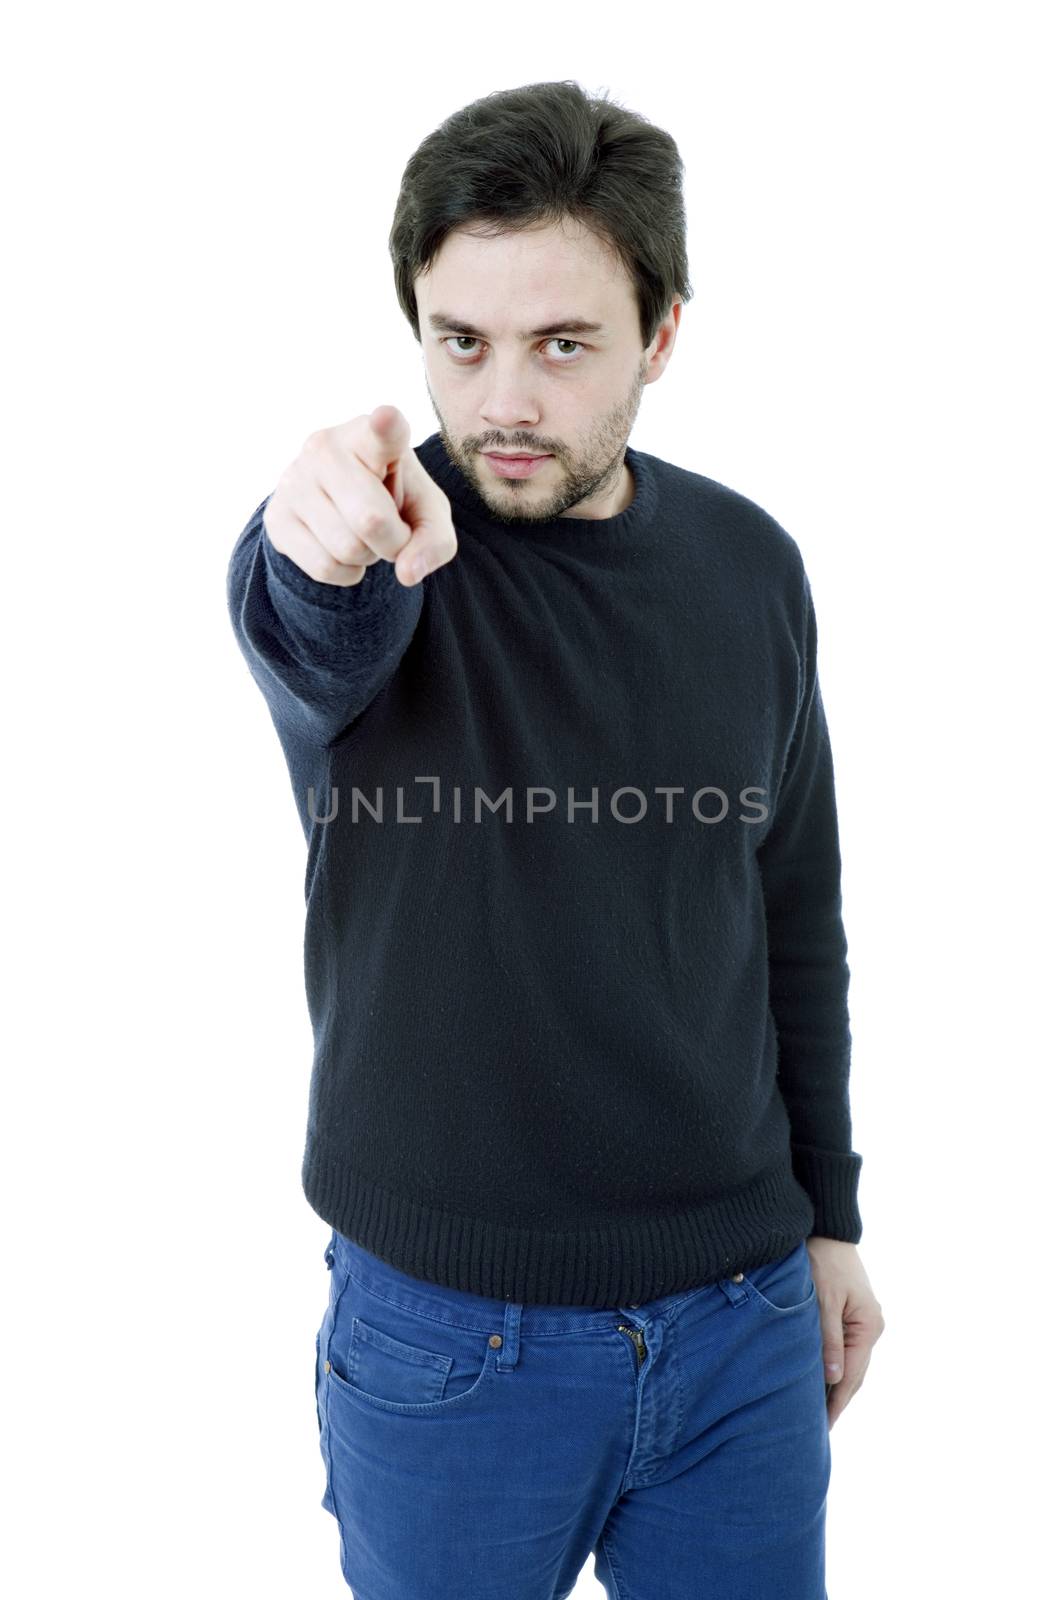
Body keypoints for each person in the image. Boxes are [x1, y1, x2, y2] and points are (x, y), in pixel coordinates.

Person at [226, 78, 884, 1600]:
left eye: (562, 345)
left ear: (661, 338)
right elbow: (304, 620)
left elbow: (793, 909)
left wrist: (832, 1218)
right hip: (449, 1345)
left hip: (742, 1330)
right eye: (461, 342)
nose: (504, 400)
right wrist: (313, 544)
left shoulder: (752, 565)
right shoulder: (388, 544)